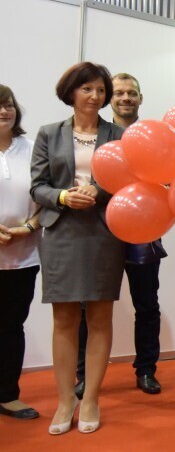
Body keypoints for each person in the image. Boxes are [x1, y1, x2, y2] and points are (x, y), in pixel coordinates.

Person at [30, 62, 126, 435]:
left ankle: (90, 400)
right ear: (71, 92)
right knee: (64, 319)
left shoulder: (118, 134)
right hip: (61, 231)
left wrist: (97, 191)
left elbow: (127, 180)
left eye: (101, 90)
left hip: (104, 231)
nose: (95, 96)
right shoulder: (48, 133)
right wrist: (64, 196)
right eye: (87, 89)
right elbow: (38, 186)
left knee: (100, 317)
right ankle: (65, 400)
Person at [75, 73, 166, 398]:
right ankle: (84, 375)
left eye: (132, 93)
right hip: (100, 230)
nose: (126, 98)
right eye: (120, 93)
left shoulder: (155, 136)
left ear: (140, 98)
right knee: (89, 306)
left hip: (144, 230)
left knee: (147, 305)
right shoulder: (97, 135)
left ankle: (146, 370)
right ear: (110, 98)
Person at [0, 84, 41, 421]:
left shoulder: (32, 149)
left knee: (11, 327)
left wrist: (28, 227)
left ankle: (7, 395)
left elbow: (46, 196)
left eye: (9, 104)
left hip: (22, 256)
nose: (4, 111)